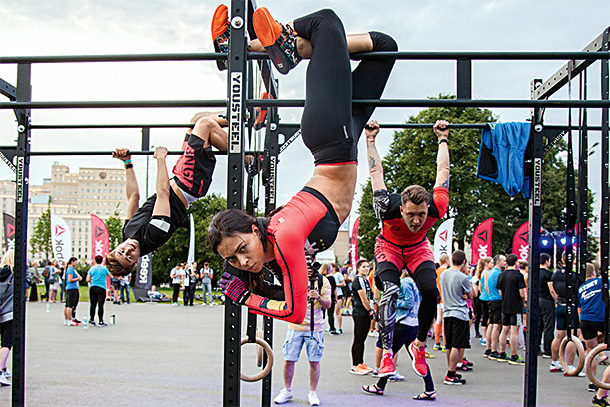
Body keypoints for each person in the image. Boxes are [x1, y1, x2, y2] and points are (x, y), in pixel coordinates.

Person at [208, 7, 396, 326]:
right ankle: (277, 47)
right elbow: (294, 305)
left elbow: (294, 314)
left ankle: (270, 44)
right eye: (233, 259)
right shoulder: (277, 256)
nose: (243, 260)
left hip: (330, 136)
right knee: (384, 47)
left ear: (255, 230)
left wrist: (245, 298)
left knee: (325, 23)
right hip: (345, 133)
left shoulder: (285, 236)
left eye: (241, 249)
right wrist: (248, 291)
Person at [366, 113, 449, 378]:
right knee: (391, 290)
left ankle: (420, 345)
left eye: (421, 215)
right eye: (410, 214)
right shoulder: (385, 206)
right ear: (400, 208)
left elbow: (443, 172)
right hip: (388, 246)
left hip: (417, 249)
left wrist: (443, 140)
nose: (415, 220)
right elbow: (375, 171)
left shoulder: (437, 206)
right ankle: (388, 353)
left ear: (428, 209)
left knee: (430, 291)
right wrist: (370, 140)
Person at [105, 111, 228, 278]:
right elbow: (163, 193)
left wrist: (127, 163)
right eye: (129, 257)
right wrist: (161, 158)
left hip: (180, 176)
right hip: (189, 184)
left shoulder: (127, 232)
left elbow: (133, 196)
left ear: (115, 247)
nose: (128, 250)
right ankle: (248, 156)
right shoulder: (153, 237)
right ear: (135, 262)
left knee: (195, 121)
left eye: (121, 251)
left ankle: (241, 122)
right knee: (204, 125)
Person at [363, 272, 436, 399]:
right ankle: (429, 388)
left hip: (404, 323)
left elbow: (408, 302)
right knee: (416, 357)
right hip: (413, 323)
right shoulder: (416, 282)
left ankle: (380, 386)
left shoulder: (406, 282)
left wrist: (391, 303)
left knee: (389, 354)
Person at [273, 262, 331, 406]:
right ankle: (287, 390)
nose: (308, 269)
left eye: (310, 266)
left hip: (315, 327)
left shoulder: (323, 280)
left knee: (314, 361)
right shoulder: (295, 278)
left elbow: (328, 304)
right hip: (295, 325)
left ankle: (312, 392)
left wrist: (317, 297)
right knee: (289, 359)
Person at [439, 250, 473, 385]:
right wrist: (465, 293)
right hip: (459, 312)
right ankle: (451, 373)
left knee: (449, 344)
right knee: (456, 345)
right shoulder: (462, 277)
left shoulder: (444, 274)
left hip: (447, 311)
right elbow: (471, 295)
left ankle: (450, 369)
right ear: (463, 262)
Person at [0, 249, 30, 386]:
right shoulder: (15, 275)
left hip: (0, 312)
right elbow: (27, 283)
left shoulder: (1, 273)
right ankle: (0, 371)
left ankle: (4, 368)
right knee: (7, 343)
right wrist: (26, 268)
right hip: (10, 312)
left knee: (3, 342)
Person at [578, 263, 605, 393]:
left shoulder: (581, 288)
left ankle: (592, 382)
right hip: (601, 318)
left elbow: (579, 309)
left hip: (585, 320)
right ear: (594, 273)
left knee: (591, 350)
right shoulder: (602, 281)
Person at [496, 254, 526, 365]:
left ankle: (502, 353)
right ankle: (514, 355)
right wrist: (523, 303)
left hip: (505, 304)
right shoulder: (518, 275)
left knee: (504, 329)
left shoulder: (502, 275)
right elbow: (522, 293)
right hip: (515, 305)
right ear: (516, 262)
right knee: (514, 330)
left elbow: (500, 292)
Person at [349, 259, 376, 375]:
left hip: (364, 312)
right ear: (358, 268)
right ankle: (355, 364)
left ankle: (361, 362)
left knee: (362, 339)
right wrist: (370, 310)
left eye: (367, 266)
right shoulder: (359, 280)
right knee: (358, 339)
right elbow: (363, 299)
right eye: (363, 266)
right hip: (360, 312)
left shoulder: (365, 280)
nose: (366, 268)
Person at [484, 254, 506, 360]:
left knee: (492, 325)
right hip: (497, 300)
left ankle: (488, 348)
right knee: (496, 326)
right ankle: (493, 350)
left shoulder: (489, 273)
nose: (505, 263)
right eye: (503, 261)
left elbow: (486, 287)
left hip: (491, 299)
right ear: (498, 262)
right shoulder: (499, 274)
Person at [538, 253, 555, 358]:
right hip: (547, 300)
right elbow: (551, 289)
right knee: (548, 325)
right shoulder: (548, 274)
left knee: (538, 324)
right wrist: (556, 298)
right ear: (546, 261)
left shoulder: (534, 272)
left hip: (537, 300)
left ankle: (536, 347)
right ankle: (547, 349)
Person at [474, 257, 493, 346]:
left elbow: (481, 288)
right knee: (486, 317)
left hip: (483, 296)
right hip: (487, 297)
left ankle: (485, 336)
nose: (492, 265)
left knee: (485, 317)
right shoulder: (486, 273)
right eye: (491, 263)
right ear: (486, 263)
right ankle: (485, 337)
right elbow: (485, 286)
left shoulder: (483, 272)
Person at [86, 255, 110, 327]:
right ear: (102, 261)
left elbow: (87, 279)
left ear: (95, 260)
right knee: (100, 304)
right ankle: (100, 320)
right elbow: (111, 276)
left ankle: (92, 319)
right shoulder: (104, 269)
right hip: (101, 287)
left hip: (93, 287)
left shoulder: (92, 269)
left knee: (93, 304)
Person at [433, 253, 450, 351]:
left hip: (438, 298)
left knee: (438, 320)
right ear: (447, 260)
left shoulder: (437, 271)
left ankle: (437, 342)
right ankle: (445, 343)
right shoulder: (446, 272)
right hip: (445, 298)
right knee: (444, 321)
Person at [63, 257, 82, 326]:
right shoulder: (70, 269)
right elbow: (70, 279)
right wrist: (77, 278)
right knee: (70, 305)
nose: (76, 263)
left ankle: (66, 319)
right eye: (75, 262)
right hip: (72, 288)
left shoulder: (69, 269)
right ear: (72, 262)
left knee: (67, 305)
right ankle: (69, 319)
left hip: (69, 288)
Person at [331, 263, 345, 334]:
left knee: (337, 311)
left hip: (339, 294)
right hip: (331, 295)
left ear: (334, 267)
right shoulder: (330, 275)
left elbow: (343, 283)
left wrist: (335, 285)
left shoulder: (338, 274)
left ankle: (339, 327)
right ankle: (332, 326)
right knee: (331, 312)